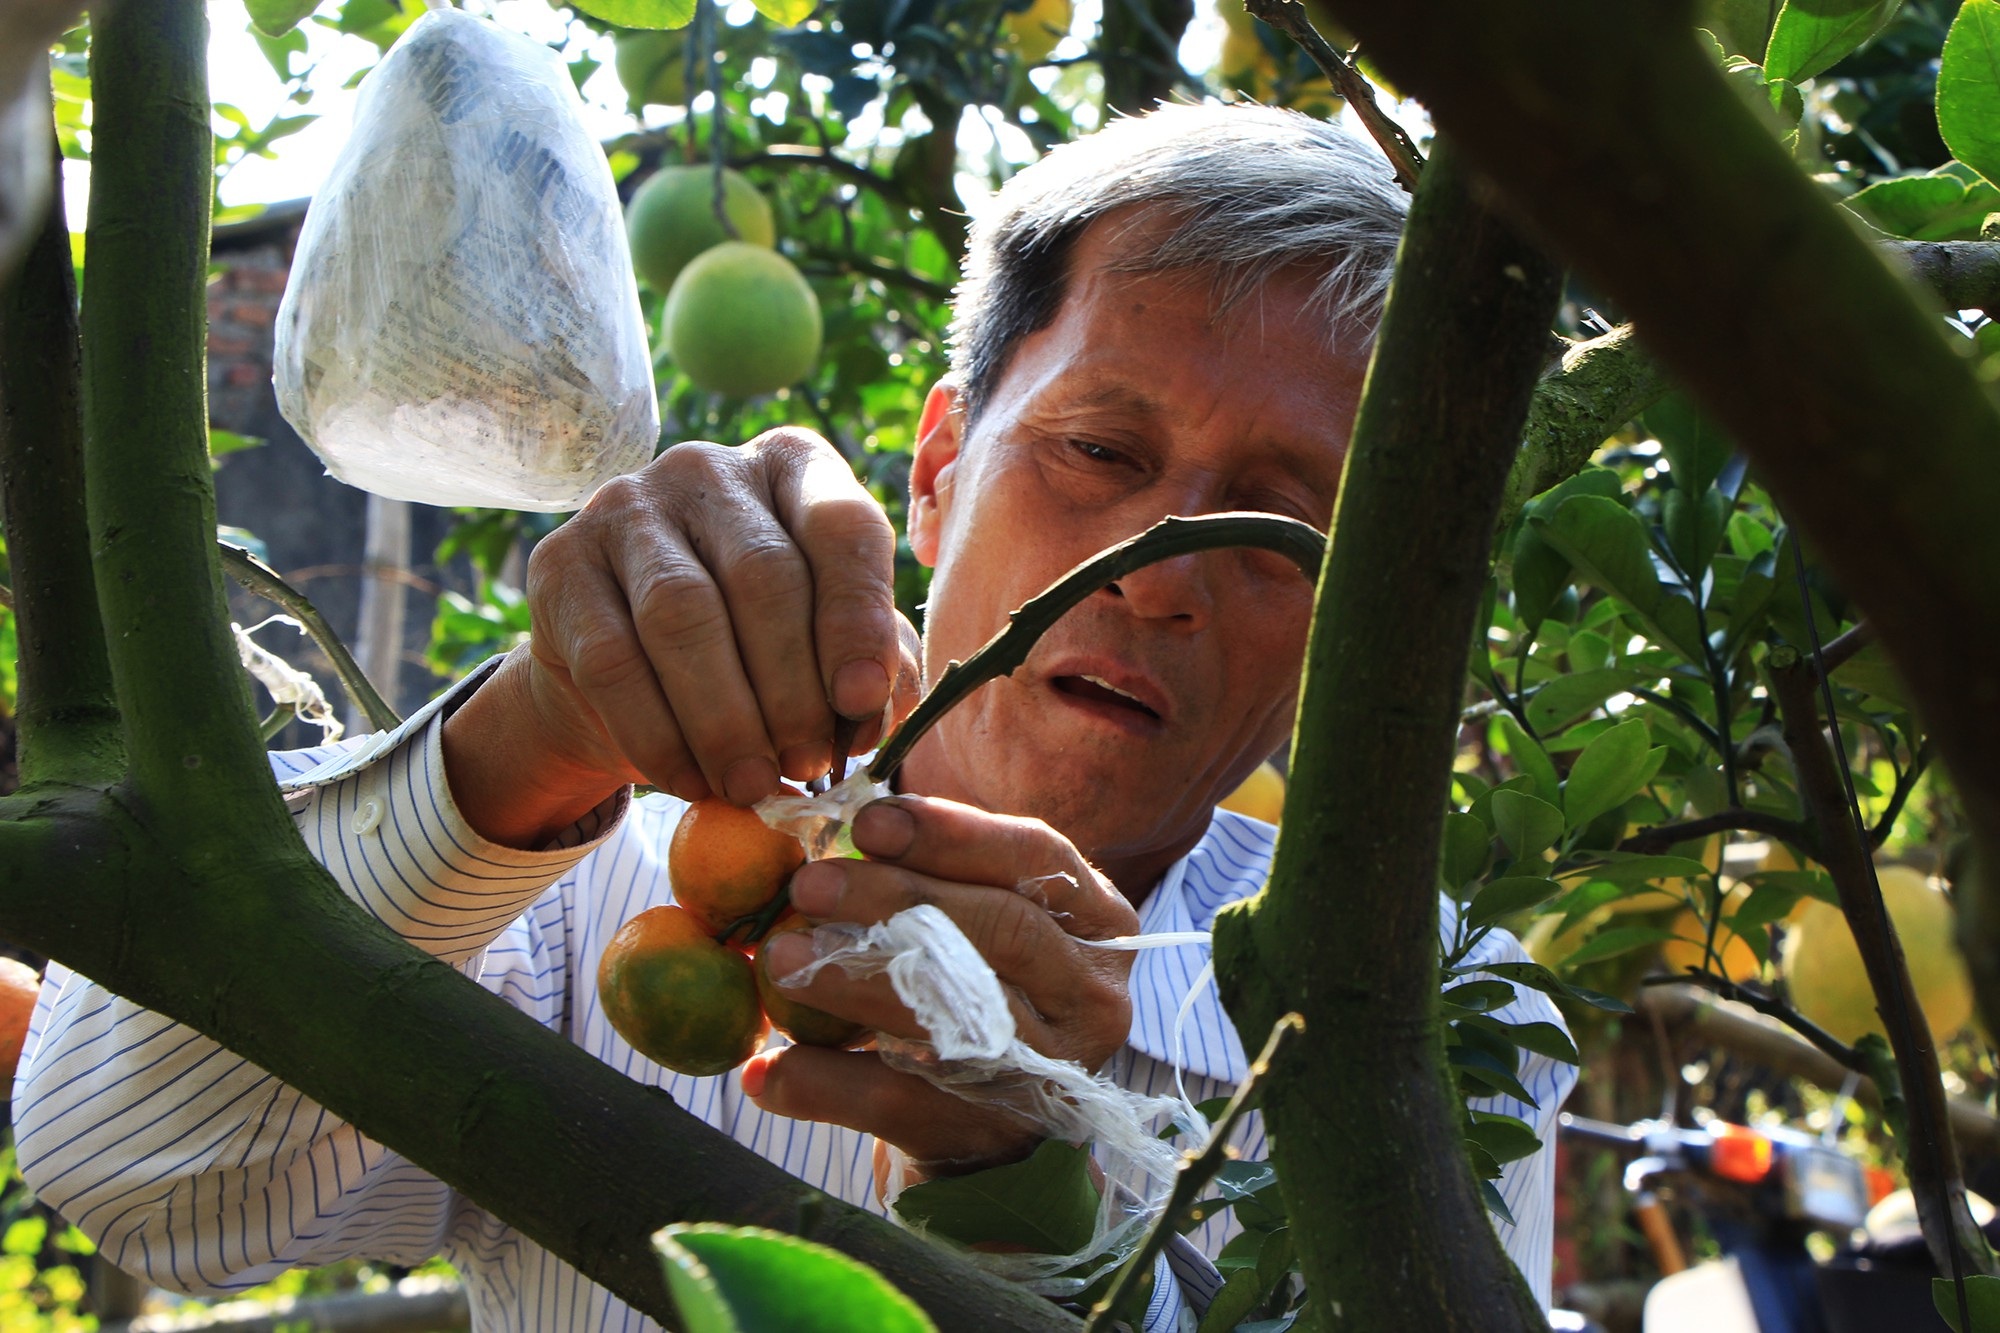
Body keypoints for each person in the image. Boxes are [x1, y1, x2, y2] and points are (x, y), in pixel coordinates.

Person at [13, 102, 1574, 1331]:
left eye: (1280, 518)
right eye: (1099, 452)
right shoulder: (595, 897)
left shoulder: (1447, 1018)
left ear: (1368, 617)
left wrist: (1027, 1203)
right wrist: (526, 741)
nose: (1158, 576)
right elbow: (131, 1166)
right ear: (940, 466)